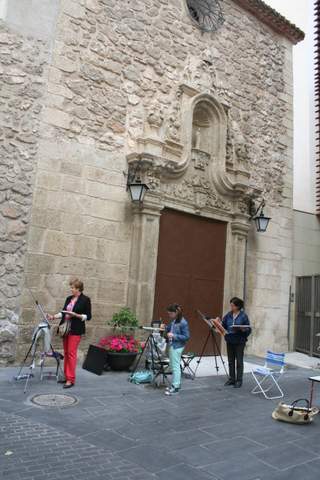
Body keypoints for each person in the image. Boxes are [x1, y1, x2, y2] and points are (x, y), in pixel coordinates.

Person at [48, 279, 91, 388]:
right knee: (66, 353)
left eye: (72, 287)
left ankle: (70, 379)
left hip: (76, 329)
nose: (71, 289)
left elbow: (88, 316)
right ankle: (67, 376)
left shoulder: (85, 300)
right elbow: (63, 312)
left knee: (71, 354)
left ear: (78, 289)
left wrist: (76, 315)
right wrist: (53, 316)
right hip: (65, 328)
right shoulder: (68, 299)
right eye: (71, 287)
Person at [220, 297, 251, 388]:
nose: (231, 307)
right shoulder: (229, 315)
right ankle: (232, 379)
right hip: (230, 340)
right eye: (231, 305)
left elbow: (249, 329)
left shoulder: (243, 316)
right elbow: (223, 325)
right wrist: (218, 323)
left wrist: (243, 329)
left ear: (238, 306)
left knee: (239, 361)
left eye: (233, 305)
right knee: (230, 361)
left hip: (239, 341)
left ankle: (239, 380)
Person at [160, 303, 190, 396]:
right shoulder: (174, 321)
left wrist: (174, 335)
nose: (169, 315)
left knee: (175, 367)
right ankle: (175, 385)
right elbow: (169, 329)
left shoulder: (183, 322)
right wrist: (164, 327)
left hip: (177, 347)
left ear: (175, 312)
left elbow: (186, 337)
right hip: (173, 345)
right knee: (173, 366)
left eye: (170, 314)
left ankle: (175, 387)